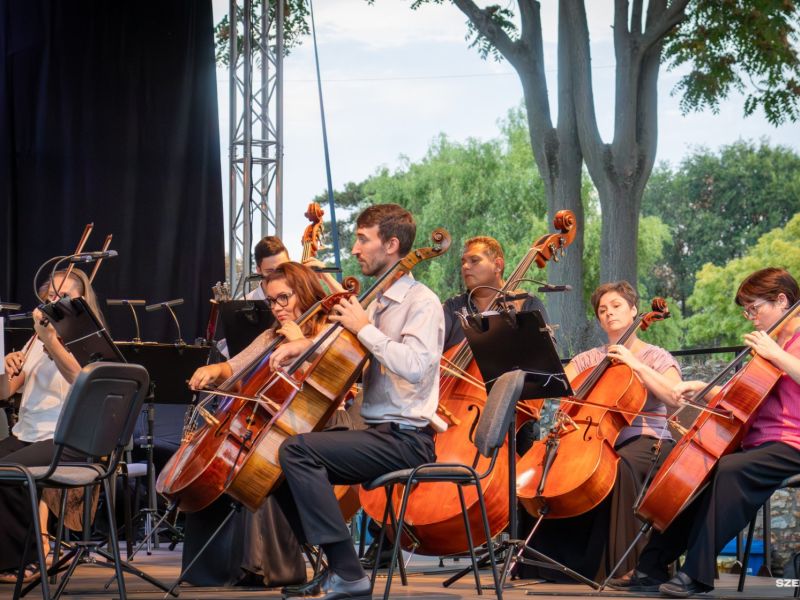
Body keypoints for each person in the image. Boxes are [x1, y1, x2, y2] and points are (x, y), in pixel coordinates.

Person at [266, 203, 444, 600]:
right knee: (274, 463)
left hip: (407, 440)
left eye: (363, 239)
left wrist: (365, 329)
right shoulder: (375, 303)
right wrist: (305, 348)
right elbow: (348, 357)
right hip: (379, 433)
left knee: (296, 452)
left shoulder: (421, 303)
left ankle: (348, 573)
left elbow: (416, 366)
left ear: (392, 244)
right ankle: (335, 568)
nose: (355, 249)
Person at [614, 267, 800, 597]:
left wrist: (777, 355)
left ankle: (696, 574)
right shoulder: (773, 346)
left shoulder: (785, 345)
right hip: (756, 440)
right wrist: (703, 388)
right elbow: (745, 395)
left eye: (754, 308)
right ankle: (650, 567)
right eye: (747, 311)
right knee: (697, 474)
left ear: (782, 300)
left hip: (791, 442)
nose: (751, 319)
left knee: (731, 469)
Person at [517, 280, 682, 582]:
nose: (609, 313)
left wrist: (634, 364)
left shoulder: (655, 357)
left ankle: (626, 567)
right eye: (602, 310)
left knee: (619, 469)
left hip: (647, 440)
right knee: (544, 471)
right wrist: (566, 409)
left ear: (634, 310)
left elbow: (675, 396)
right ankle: (547, 565)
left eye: (616, 306)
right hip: (593, 437)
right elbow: (557, 388)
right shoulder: (588, 359)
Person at [183, 262, 333, 588]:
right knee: (220, 461)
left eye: (283, 298)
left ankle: (262, 565)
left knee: (256, 462)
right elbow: (235, 367)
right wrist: (215, 372)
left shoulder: (327, 329)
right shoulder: (270, 336)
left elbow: (331, 382)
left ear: (305, 293)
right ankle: (217, 568)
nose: (277, 308)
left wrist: (300, 341)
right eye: (271, 301)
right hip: (272, 424)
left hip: (317, 429)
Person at [0, 269, 106, 579]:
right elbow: (6, 392)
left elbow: (81, 380)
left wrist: (52, 342)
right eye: (50, 297)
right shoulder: (35, 339)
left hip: (66, 439)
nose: (54, 301)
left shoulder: (88, 340)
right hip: (28, 433)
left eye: (63, 297)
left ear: (80, 302)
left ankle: (30, 557)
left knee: (9, 474)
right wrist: (7, 366)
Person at [442, 235, 549, 439]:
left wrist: (517, 326)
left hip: (509, 415)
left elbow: (544, 363)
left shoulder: (526, 304)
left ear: (497, 265)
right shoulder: (452, 308)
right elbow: (432, 360)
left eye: (474, 260)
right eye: (463, 262)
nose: (465, 267)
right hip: (452, 410)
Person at [245, 237, 290, 301]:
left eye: (282, 269)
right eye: (270, 271)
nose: (278, 276)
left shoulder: (301, 299)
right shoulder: (245, 303)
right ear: (259, 270)